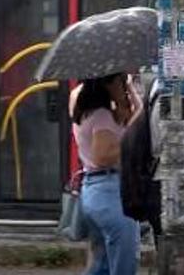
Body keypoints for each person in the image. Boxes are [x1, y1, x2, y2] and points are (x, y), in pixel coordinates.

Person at [72, 72, 141, 274]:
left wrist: (128, 90)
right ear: (108, 85)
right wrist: (129, 145)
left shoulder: (88, 113)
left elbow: (137, 113)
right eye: (121, 82)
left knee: (101, 263)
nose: (124, 87)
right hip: (109, 192)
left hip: (95, 191)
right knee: (124, 260)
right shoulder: (102, 115)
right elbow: (102, 157)